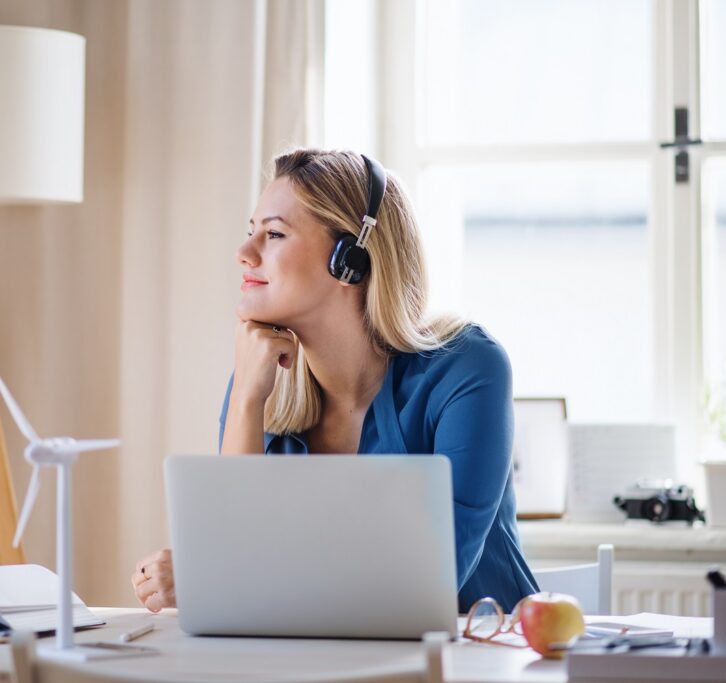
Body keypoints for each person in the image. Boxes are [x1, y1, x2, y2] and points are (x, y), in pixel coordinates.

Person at [131, 148, 538, 614]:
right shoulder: (259, 382)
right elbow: (228, 583)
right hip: (320, 662)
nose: (244, 254)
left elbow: (430, 582)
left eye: (275, 234)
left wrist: (219, 575)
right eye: (250, 234)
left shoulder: (467, 369)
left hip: (474, 660)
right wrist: (245, 401)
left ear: (351, 259)